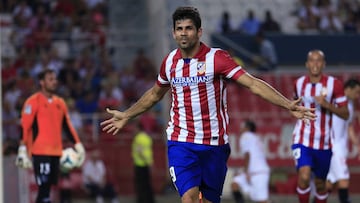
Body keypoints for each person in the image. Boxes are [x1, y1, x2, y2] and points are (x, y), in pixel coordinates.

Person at [101, 6, 316, 203]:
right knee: (190, 198)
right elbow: (155, 94)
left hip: (214, 144)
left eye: (188, 28)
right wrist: (128, 114)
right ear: (174, 33)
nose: (183, 33)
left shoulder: (217, 59)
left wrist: (287, 104)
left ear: (199, 32)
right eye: (179, 29)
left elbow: (252, 84)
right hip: (181, 141)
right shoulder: (169, 62)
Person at [15, 69, 86, 203]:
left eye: (55, 79)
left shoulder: (60, 103)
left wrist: (78, 144)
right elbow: (26, 126)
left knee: (48, 189)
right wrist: (22, 148)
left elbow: (67, 125)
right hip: (40, 151)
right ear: (42, 82)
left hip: (56, 152)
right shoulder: (33, 101)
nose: (54, 82)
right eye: (50, 79)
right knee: (44, 189)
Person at [291, 50, 349, 203]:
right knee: (303, 176)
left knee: (321, 184)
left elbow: (345, 114)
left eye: (318, 61)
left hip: (324, 143)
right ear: (306, 64)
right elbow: (294, 106)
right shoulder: (298, 84)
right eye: (312, 60)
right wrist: (295, 112)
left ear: (324, 64)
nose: (315, 64)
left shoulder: (334, 84)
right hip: (302, 138)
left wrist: (327, 105)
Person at [326, 78, 360, 203]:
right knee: (344, 179)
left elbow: (349, 126)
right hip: (333, 146)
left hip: (341, 147)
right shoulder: (334, 101)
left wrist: (357, 144)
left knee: (329, 184)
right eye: (356, 92)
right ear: (348, 89)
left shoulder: (350, 105)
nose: (358, 96)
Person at [231, 120, 270, 203]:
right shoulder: (255, 137)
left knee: (262, 201)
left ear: (247, 128)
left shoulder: (246, 136)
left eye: (242, 126)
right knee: (235, 184)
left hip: (258, 173)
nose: (240, 129)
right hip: (255, 171)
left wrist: (245, 171)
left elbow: (247, 154)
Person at [132, 121, 156, 203]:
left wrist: (146, 161)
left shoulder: (138, 138)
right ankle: (150, 200)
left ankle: (142, 200)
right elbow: (148, 151)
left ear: (138, 128)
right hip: (147, 163)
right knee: (147, 184)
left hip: (140, 164)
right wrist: (150, 163)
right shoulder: (147, 137)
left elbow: (140, 151)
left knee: (141, 185)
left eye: (135, 128)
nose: (133, 130)